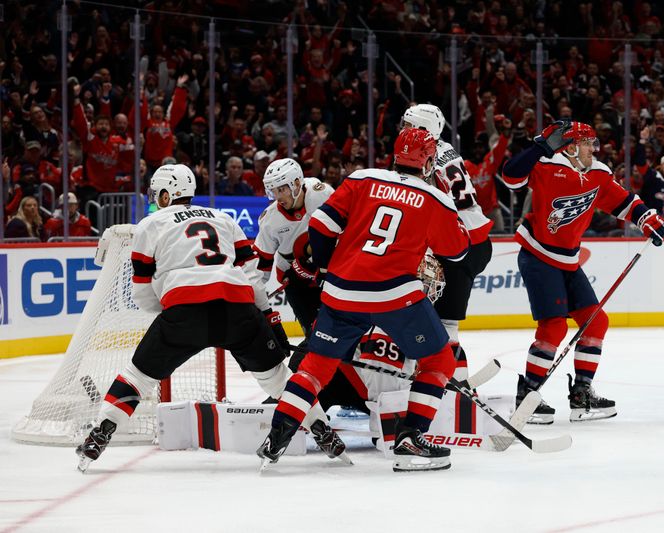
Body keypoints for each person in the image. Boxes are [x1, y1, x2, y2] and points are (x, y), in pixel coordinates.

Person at [75, 164, 345, 471]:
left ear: (165, 195)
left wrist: (172, 313)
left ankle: (99, 435)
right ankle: (325, 433)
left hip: (184, 311)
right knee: (280, 379)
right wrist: (267, 318)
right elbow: (251, 275)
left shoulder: (150, 224)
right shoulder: (223, 218)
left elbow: (141, 294)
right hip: (238, 309)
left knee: (137, 377)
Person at [257, 128, 470, 472]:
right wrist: (447, 205)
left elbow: (322, 227)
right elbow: (458, 253)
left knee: (315, 366)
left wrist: (327, 266)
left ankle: (278, 434)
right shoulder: (434, 198)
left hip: (341, 291)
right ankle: (410, 438)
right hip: (396, 295)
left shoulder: (362, 178)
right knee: (439, 362)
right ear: (429, 160)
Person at [501, 120, 664, 423]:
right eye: (589, 142)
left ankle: (582, 394)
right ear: (572, 146)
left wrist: (648, 220)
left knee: (595, 322)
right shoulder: (546, 166)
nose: (595, 147)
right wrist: (539, 147)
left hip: (568, 260)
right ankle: (527, 396)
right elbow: (510, 176)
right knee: (554, 328)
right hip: (538, 255)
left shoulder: (599, 173)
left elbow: (626, 201)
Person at [402, 104, 493, 384]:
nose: (403, 131)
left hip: (456, 245)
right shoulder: (447, 149)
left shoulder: (424, 156)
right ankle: (453, 383)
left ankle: (455, 386)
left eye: (408, 125)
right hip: (478, 241)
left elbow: (426, 206)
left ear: (421, 129)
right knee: (444, 321)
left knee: (434, 322)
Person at [253, 158, 334, 346]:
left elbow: (342, 233)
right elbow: (260, 267)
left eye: (281, 189)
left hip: (329, 274)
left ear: (297, 184)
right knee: (315, 337)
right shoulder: (270, 220)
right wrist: (254, 299)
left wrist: (316, 262)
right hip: (296, 283)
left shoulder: (320, 194)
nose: (278, 196)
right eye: (273, 191)